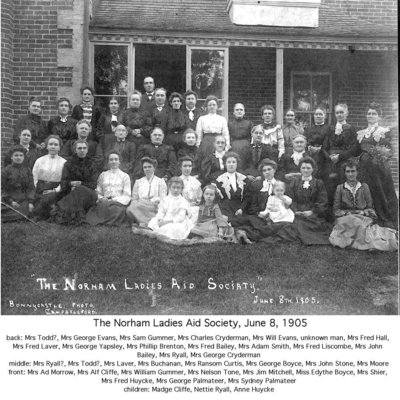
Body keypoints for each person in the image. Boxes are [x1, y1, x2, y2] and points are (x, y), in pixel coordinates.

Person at [329, 161, 397, 251]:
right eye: (348, 171)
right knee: (352, 223)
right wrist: (348, 214)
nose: (350, 174)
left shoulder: (364, 187)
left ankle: (368, 242)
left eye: (353, 171)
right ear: (345, 173)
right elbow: (336, 210)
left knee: (362, 226)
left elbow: (370, 207)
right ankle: (367, 243)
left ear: (357, 172)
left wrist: (363, 212)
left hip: (362, 218)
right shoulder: (340, 188)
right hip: (345, 219)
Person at [356, 102, 398, 229]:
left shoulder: (383, 131)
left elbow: (389, 150)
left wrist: (379, 157)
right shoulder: (362, 133)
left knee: (380, 193)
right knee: (367, 192)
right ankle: (369, 218)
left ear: (379, 116)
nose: (371, 116)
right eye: (369, 113)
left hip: (379, 169)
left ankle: (384, 219)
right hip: (364, 169)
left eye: (374, 113)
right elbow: (357, 151)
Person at [276, 157, 332, 245]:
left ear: (313, 169)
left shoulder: (318, 183)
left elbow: (322, 201)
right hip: (297, 212)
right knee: (290, 225)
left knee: (309, 225)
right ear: (300, 169)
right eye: (303, 168)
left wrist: (312, 211)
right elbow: (291, 199)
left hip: (313, 213)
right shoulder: (295, 182)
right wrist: (295, 211)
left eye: (308, 168)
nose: (306, 170)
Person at [51, 139, 98, 224]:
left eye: (84, 148)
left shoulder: (92, 164)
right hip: (71, 191)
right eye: (79, 148)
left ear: (87, 150)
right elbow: (63, 182)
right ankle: (78, 217)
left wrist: (81, 184)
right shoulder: (68, 163)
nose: (82, 150)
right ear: (75, 150)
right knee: (76, 193)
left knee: (79, 190)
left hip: (89, 194)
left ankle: (63, 213)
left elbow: (94, 184)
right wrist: (70, 184)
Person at [322, 103, 358, 206]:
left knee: (343, 186)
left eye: (341, 112)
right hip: (330, 162)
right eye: (337, 112)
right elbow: (324, 147)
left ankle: (342, 212)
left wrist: (340, 156)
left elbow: (353, 148)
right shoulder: (330, 128)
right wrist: (330, 157)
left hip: (344, 162)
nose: (339, 114)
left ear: (347, 113)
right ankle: (330, 215)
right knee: (329, 186)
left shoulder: (351, 129)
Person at [86, 151, 132, 227]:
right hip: (104, 202)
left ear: (119, 161)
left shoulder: (125, 176)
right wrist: (101, 198)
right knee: (100, 209)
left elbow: (127, 195)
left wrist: (113, 200)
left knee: (115, 210)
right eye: (111, 159)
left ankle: (108, 220)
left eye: (116, 159)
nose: (113, 161)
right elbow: (98, 191)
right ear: (108, 162)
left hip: (118, 203)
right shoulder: (103, 175)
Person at [32, 135, 67, 219]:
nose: (53, 146)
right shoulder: (39, 160)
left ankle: (46, 211)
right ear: (47, 146)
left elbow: (65, 180)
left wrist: (54, 191)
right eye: (51, 144)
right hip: (40, 188)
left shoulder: (64, 162)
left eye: (56, 145)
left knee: (49, 201)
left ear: (59, 147)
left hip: (55, 189)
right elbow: (34, 176)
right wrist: (37, 188)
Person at [126, 157, 167, 227]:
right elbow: (134, 198)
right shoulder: (138, 182)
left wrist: (155, 201)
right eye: (145, 167)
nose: (147, 169)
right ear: (143, 169)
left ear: (154, 168)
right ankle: (148, 222)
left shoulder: (160, 181)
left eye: (149, 167)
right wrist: (138, 203)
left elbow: (163, 198)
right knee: (129, 209)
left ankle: (143, 222)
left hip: (154, 206)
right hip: (140, 206)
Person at [1, 146, 35, 222]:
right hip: (10, 199)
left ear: (23, 157)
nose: (18, 158)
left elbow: (31, 187)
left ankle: (13, 217)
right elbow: (3, 189)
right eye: (16, 155)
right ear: (11, 157)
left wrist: (30, 202)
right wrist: (11, 201)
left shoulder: (27, 170)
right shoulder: (6, 170)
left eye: (21, 155)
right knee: (5, 210)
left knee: (26, 209)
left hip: (23, 200)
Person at [215, 152, 251, 221]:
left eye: (234, 162)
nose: (231, 164)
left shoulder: (244, 179)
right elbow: (219, 200)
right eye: (229, 162)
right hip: (226, 211)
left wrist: (241, 209)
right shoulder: (220, 180)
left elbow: (247, 197)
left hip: (241, 210)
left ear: (237, 164)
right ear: (225, 164)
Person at [196, 95, 230, 161]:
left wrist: (226, 146)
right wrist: (198, 145)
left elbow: (225, 134)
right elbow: (199, 134)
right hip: (206, 142)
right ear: (207, 107)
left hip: (218, 142)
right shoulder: (202, 119)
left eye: (214, 105)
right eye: (210, 105)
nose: (212, 107)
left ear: (217, 106)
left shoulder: (222, 119)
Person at [304, 107, 330, 179]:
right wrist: (309, 147)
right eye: (316, 114)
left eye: (320, 114)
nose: (318, 116)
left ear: (325, 116)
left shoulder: (329, 128)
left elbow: (329, 142)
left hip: (323, 157)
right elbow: (304, 141)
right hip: (310, 155)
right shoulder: (308, 129)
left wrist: (320, 149)